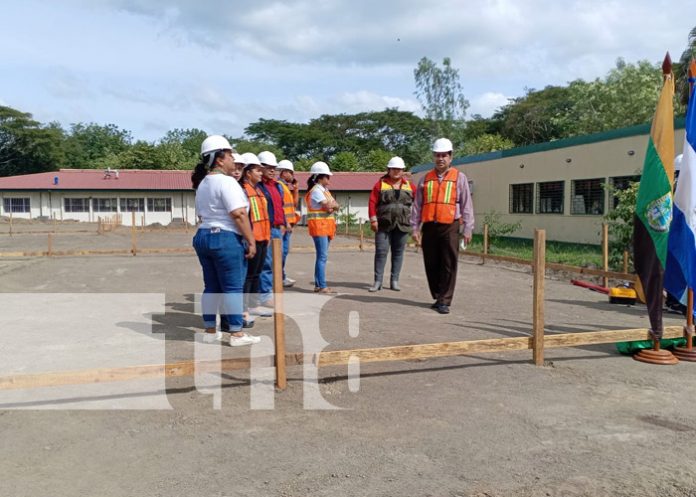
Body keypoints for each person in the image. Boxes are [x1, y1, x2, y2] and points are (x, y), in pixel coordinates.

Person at [191, 135, 260, 346]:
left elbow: (202, 215)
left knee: (211, 286)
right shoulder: (227, 182)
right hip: (225, 237)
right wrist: (251, 240)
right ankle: (237, 334)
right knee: (232, 287)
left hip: (203, 235)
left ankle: (211, 331)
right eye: (230, 155)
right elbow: (238, 213)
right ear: (220, 159)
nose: (233, 160)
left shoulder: (204, 183)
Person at [411, 138, 474, 315]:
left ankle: (445, 300)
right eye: (438, 155)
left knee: (448, 263)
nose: (441, 159)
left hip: (450, 226)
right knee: (431, 263)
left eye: (444, 155)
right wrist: (415, 228)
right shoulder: (425, 179)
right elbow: (417, 205)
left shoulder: (459, 178)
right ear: (434, 157)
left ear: (451, 157)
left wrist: (468, 228)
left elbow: (467, 205)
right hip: (430, 226)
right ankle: (438, 296)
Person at [367, 156, 414, 292]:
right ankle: (377, 281)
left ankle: (394, 281)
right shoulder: (380, 185)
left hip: (403, 224)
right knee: (381, 252)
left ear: (403, 170)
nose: (396, 171)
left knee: (398, 253)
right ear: (389, 170)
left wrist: (416, 220)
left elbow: (418, 201)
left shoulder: (410, 186)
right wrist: (373, 219)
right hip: (383, 224)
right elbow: (372, 202)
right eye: (394, 169)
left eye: (399, 169)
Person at [239, 155, 271, 324]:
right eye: (257, 170)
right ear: (248, 172)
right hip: (252, 239)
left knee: (256, 274)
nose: (261, 172)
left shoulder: (258, 190)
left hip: (263, 237)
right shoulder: (243, 190)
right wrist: (248, 239)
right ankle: (244, 309)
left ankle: (254, 305)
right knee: (248, 275)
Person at [255, 151, 288, 311]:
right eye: (269, 167)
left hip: (277, 229)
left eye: (274, 168)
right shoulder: (258, 186)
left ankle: (270, 293)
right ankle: (265, 296)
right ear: (261, 168)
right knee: (266, 263)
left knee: (277, 262)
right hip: (265, 229)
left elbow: (280, 207)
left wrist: (283, 224)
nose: (272, 170)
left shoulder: (277, 186)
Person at [305, 161, 338, 293]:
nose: (329, 178)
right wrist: (332, 205)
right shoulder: (317, 191)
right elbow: (330, 206)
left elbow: (335, 205)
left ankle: (319, 284)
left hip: (325, 227)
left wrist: (332, 205)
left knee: (322, 256)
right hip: (319, 227)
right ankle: (322, 285)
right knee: (322, 257)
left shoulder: (325, 190)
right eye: (327, 176)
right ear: (319, 177)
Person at [277, 159, 300, 287]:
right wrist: (286, 223)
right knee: (281, 252)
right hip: (284, 226)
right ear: (284, 172)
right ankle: (279, 277)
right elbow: (280, 207)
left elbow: (294, 204)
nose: (292, 175)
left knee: (284, 252)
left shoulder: (286, 187)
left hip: (288, 225)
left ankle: (281, 275)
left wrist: (295, 189)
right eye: (291, 172)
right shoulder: (279, 186)